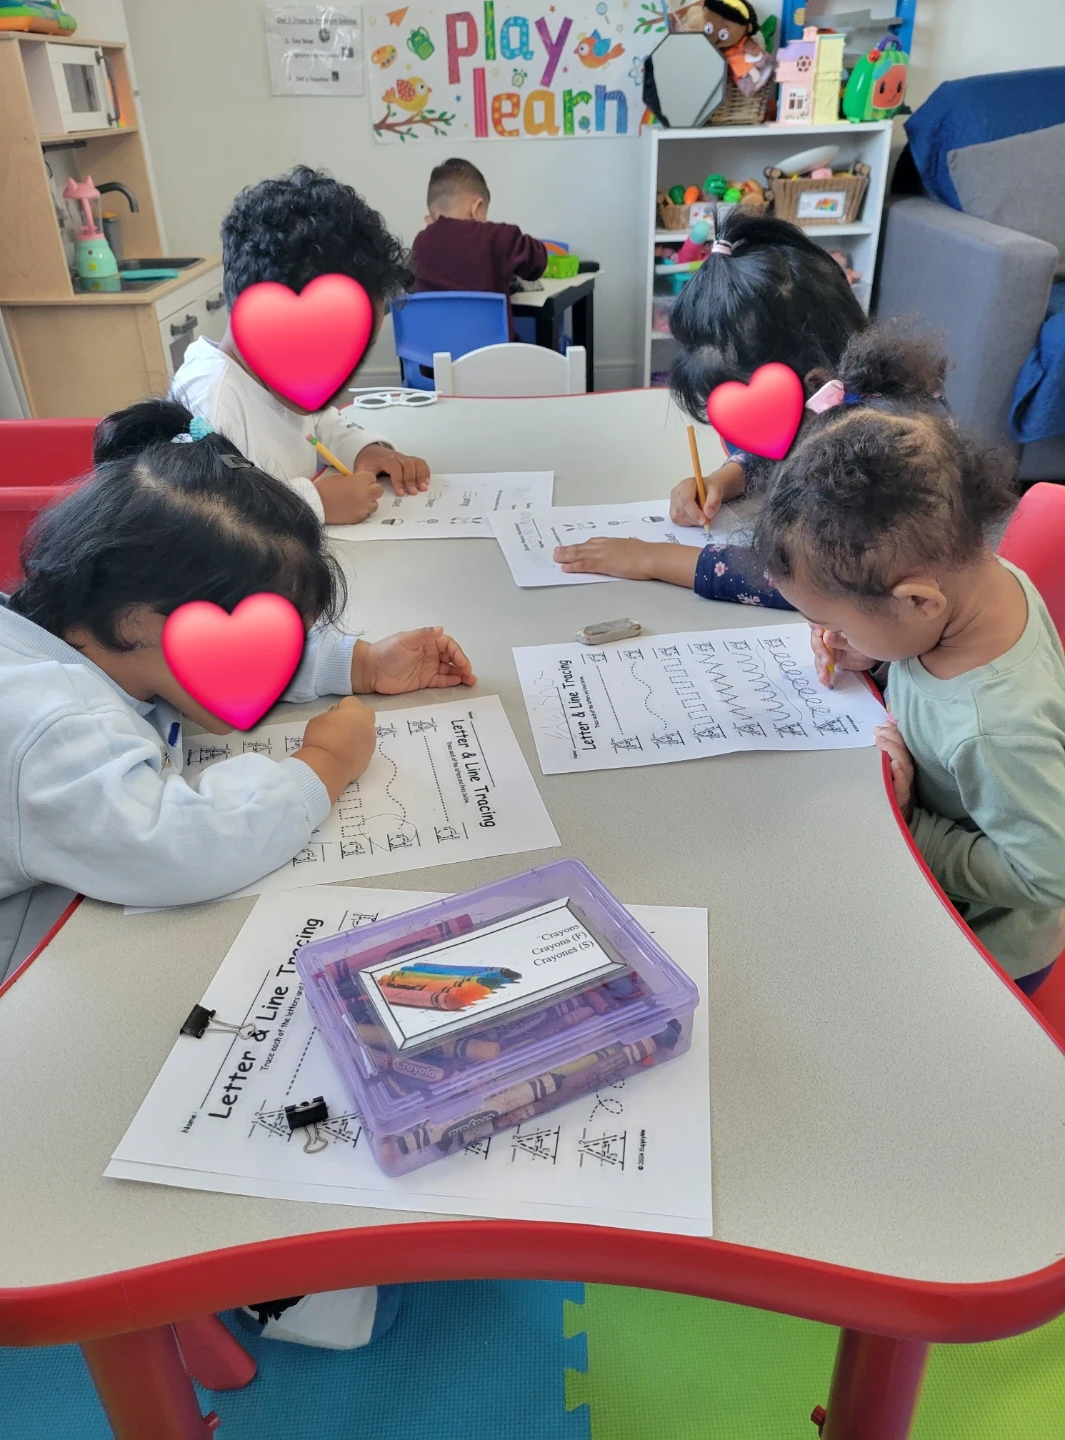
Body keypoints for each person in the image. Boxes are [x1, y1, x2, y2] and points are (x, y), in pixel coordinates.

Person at [0, 398, 475, 997]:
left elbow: (205, 669)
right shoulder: (47, 730)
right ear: (137, 618)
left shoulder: (100, 631)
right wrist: (324, 764)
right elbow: (180, 848)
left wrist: (361, 663)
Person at [753, 338, 1065, 996]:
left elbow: (1047, 873)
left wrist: (910, 821)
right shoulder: (977, 580)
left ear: (918, 600)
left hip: (989, 945)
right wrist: (875, 656)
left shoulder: (994, 729)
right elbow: (917, 655)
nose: (831, 637)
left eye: (838, 623)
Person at [552, 208, 867, 591]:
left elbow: (815, 581)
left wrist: (655, 559)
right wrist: (727, 479)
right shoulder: (824, 403)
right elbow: (784, 442)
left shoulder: (872, 446)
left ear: (815, 384)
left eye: (755, 415)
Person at [171, 166, 431, 526]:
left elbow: (318, 423)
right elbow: (199, 512)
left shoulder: (281, 382)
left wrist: (362, 449)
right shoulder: (209, 400)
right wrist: (312, 503)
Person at [409, 158, 549, 331]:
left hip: (432, 347)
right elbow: (537, 264)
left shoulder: (420, 243)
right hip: (492, 347)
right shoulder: (498, 236)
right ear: (477, 207)